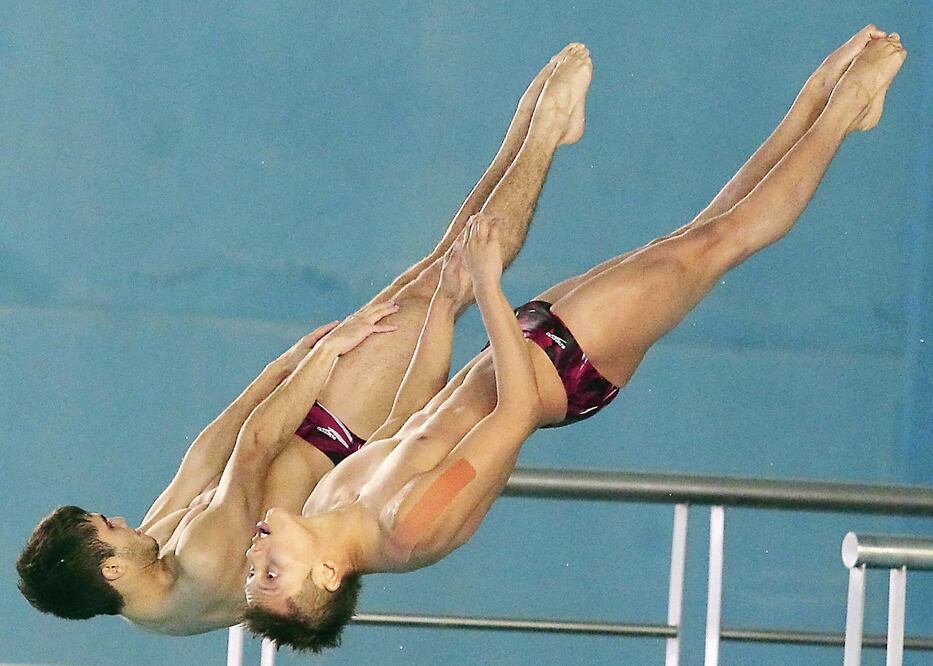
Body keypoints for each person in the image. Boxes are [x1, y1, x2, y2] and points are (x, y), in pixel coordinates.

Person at [242, 28, 906, 653]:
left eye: (251, 572)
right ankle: (842, 108)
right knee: (715, 245)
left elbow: (408, 417)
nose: (254, 559)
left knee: (695, 237)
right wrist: (490, 290)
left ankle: (824, 99)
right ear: (326, 576)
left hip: (519, 347)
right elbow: (515, 412)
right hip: (567, 368)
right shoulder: (408, 530)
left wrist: (446, 310)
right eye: (271, 576)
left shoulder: (328, 502)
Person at [15, 44, 594, 635]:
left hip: (319, 424)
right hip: (345, 436)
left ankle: (532, 128)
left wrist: (289, 361)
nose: (119, 518)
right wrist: (316, 358)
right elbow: (251, 445)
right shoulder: (203, 563)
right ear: (110, 569)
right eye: (108, 526)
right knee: (446, 284)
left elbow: (206, 456)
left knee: (433, 275)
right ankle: (542, 132)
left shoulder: (151, 590)